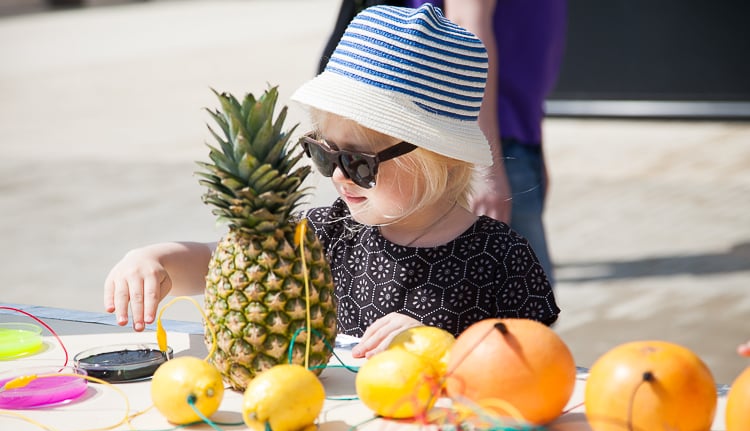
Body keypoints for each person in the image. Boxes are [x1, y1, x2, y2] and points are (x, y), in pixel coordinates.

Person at [103, 4, 559, 359]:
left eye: (359, 162)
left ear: (438, 160)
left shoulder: (503, 258)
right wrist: (155, 260)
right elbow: (219, 262)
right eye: (323, 153)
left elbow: (535, 364)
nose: (339, 175)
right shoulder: (324, 234)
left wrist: (442, 348)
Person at [402, 0, 566, 286]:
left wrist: (534, 142)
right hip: (487, 140)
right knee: (521, 316)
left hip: (507, 136)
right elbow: (466, 27)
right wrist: (483, 165)